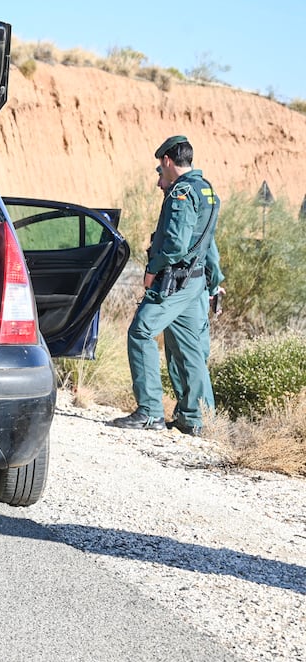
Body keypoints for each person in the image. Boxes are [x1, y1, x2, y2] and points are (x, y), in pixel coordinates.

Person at [113, 135, 221, 436]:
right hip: (196, 283)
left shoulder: (182, 193)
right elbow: (207, 242)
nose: (160, 175)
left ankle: (149, 412)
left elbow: (175, 245)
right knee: (189, 349)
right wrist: (215, 281)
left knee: (141, 332)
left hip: (175, 281)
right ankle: (196, 419)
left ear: (168, 161)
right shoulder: (207, 190)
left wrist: (152, 270)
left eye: (161, 167)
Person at [154, 165, 225, 423]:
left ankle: (198, 418)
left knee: (188, 352)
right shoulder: (196, 200)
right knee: (182, 352)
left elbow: (199, 251)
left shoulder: (183, 200)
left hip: (185, 286)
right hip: (195, 287)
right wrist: (214, 285)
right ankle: (190, 414)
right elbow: (211, 251)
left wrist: (214, 286)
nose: (159, 184)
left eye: (161, 177)